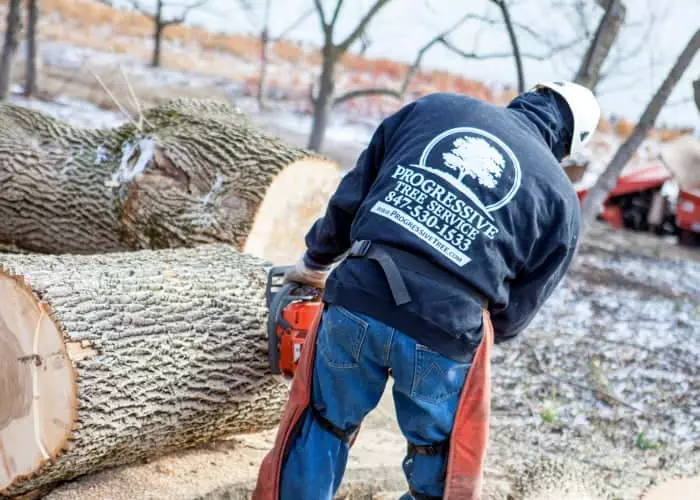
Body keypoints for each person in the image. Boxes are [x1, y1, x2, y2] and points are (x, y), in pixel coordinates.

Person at [253, 81, 601, 500]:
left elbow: (353, 194)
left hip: (359, 294)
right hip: (447, 331)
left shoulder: (432, 110)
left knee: (323, 424)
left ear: (528, 94)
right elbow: (515, 316)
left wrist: (315, 261)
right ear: (573, 142)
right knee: (437, 463)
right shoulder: (561, 200)